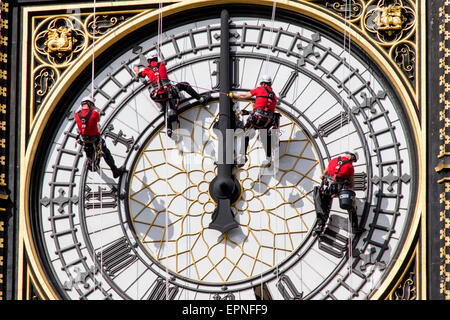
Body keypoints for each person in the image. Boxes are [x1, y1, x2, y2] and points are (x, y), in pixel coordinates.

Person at [133, 51, 207, 136]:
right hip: (169, 92)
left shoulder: (146, 70)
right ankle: (201, 99)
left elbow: (139, 75)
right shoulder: (162, 64)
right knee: (185, 85)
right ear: (156, 58)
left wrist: (136, 70)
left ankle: (169, 129)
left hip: (157, 96)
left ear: (148, 60)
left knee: (164, 107)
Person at [228, 75, 280, 167]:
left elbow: (244, 95)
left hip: (256, 119)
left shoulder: (259, 89)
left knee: (246, 134)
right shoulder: (274, 96)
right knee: (265, 137)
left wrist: (232, 95)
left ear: (263, 83)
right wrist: (248, 112)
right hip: (268, 121)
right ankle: (268, 159)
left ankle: (243, 157)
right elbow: (265, 110)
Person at [74, 96, 125, 178]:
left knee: (90, 154)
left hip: (84, 140)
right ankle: (115, 171)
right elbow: (97, 119)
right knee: (106, 154)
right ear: (89, 104)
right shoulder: (94, 114)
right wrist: (95, 111)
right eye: (92, 105)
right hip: (95, 140)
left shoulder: (77, 115)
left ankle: (92, 165)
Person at [313, 151, 361, 235]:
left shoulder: (334, 160)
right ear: (352, 157)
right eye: (353, 160)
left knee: (323, 201)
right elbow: (352, 182)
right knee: (351, 204)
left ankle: (320, 225)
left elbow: (324, 173)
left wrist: (323, 176)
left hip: (327, 186)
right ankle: (354, 228)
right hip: (339, 187)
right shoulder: (350, 166)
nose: (353, 162)